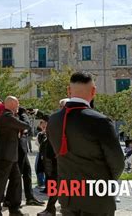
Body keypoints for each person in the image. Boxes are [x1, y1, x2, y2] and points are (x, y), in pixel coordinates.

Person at [47, 71, 124, 215]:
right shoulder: (100, 121)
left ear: (69, 91)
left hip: (68, 195)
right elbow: (117, 162)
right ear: (94, 91)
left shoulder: (53, 120)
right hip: (96, 197)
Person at [0, 96, 30, 216]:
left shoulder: (10, 116)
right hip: (5, 156)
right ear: (12, 104)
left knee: (16, 180)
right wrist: (24, 114)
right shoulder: (7, 116)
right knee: (1, 183)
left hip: (11, 156)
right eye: (17, 104)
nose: (18, 107)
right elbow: (26, 125)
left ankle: (14, 208)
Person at [16, 107, 44, 207]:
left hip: (22, 149)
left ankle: (30, 198)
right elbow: (27, 125)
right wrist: (24, 113)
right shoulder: (20, 115)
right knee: (17, 176)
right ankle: (14, 200)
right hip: (19, 150)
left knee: (27, 174)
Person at [37, 114, 58, 216]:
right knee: (55, 185)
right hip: (53, 159)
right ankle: (50, 209)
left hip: (60, 159)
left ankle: (51, 209)